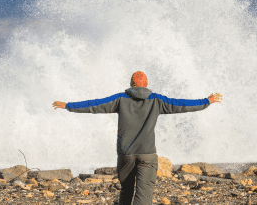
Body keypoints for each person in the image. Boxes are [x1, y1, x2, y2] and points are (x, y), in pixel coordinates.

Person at [52, 71, 223, 205]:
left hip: (126, 154)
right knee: (144, 195)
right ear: (146, 84)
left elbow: (94, 105)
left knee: (126, 190)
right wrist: (206, 101)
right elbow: (182, 104)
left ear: (131, 84)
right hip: (147, 155)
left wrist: (68, 106)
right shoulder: (157, 100)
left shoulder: (120, 98)